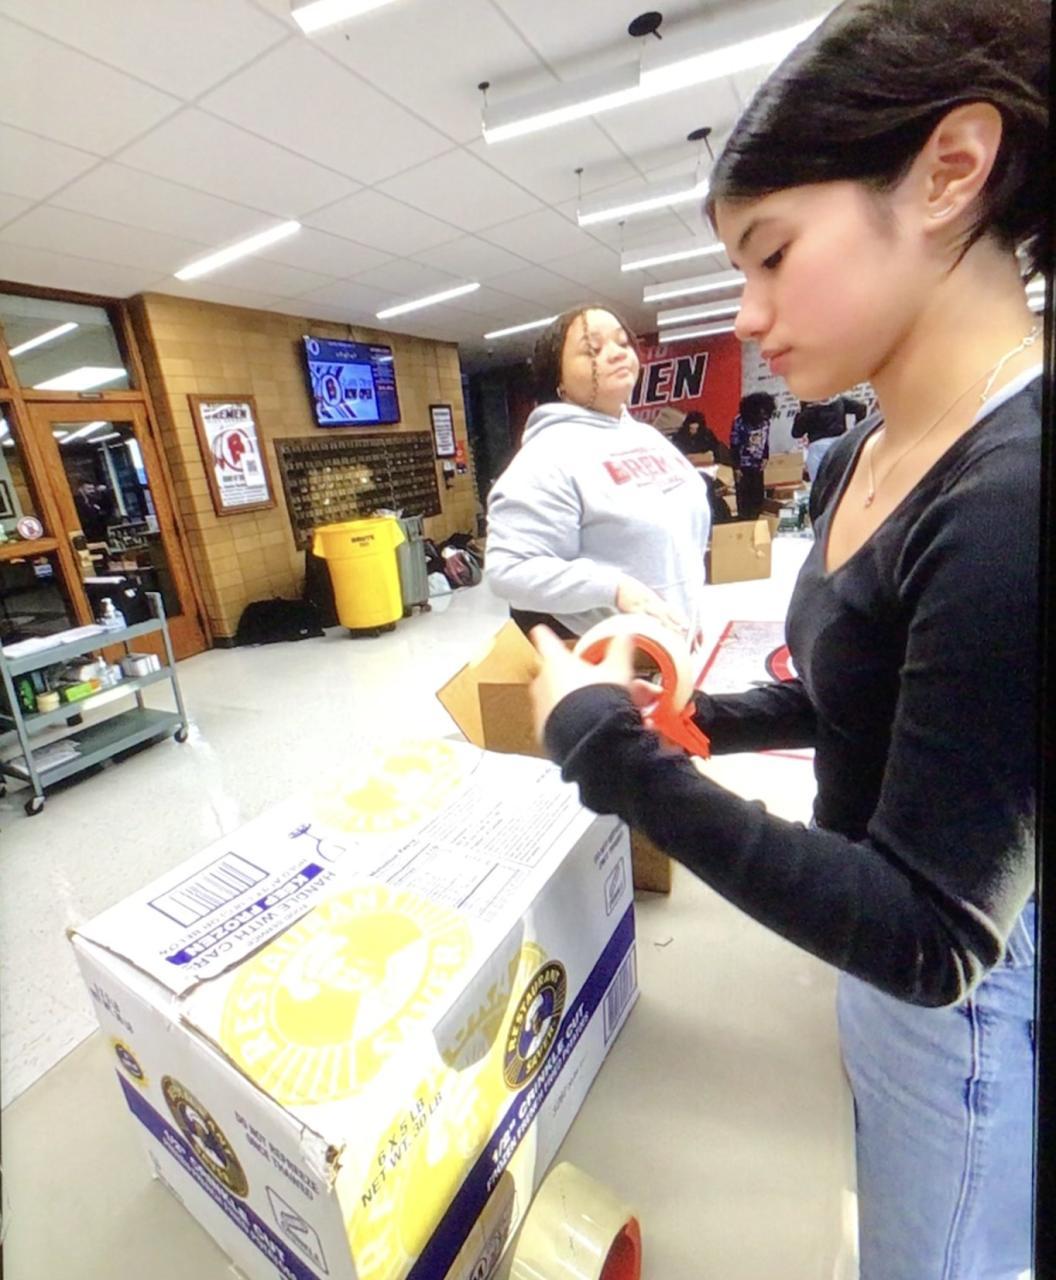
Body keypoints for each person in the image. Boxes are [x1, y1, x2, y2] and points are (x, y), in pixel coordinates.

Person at [527, 2, 1046, 1277]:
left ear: (949, 171)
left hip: (956, 979)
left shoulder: (1016, 496)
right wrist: (698, 720)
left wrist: (607, 752)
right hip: (869, 920)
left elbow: (933, 933)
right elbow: (869, 690)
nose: (747, 314)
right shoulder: (863, 451)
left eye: (771, 254)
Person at [485, 306, 711, 643]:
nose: (617, 353)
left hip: (672, 643)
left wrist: (687, 612)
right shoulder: (548, 455)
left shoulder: (646, 436)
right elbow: (508, 570)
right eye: (593, 348)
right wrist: (615, 589)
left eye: (623, 342)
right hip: (612, 657)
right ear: (557, 378)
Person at [792, 393, 870, 480]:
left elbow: (796, 433)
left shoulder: (809, 410)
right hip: (839, 443)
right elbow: (861, 407)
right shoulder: (839, 401)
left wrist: (799, 414)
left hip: (818, 447)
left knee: (819, 482)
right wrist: (857, 431)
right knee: (842, 480)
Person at [729, 391, 776, 519]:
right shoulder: (739, 422)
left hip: (758, 463)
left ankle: (757, 517)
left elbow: (766, 440)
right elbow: (734, 445)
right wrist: (736, 467)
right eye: (761, 412)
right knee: (744, 496)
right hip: (743, 464)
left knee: (758, 494)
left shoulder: (765, 422)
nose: (764, 415)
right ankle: (745, 519)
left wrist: (765, 456)